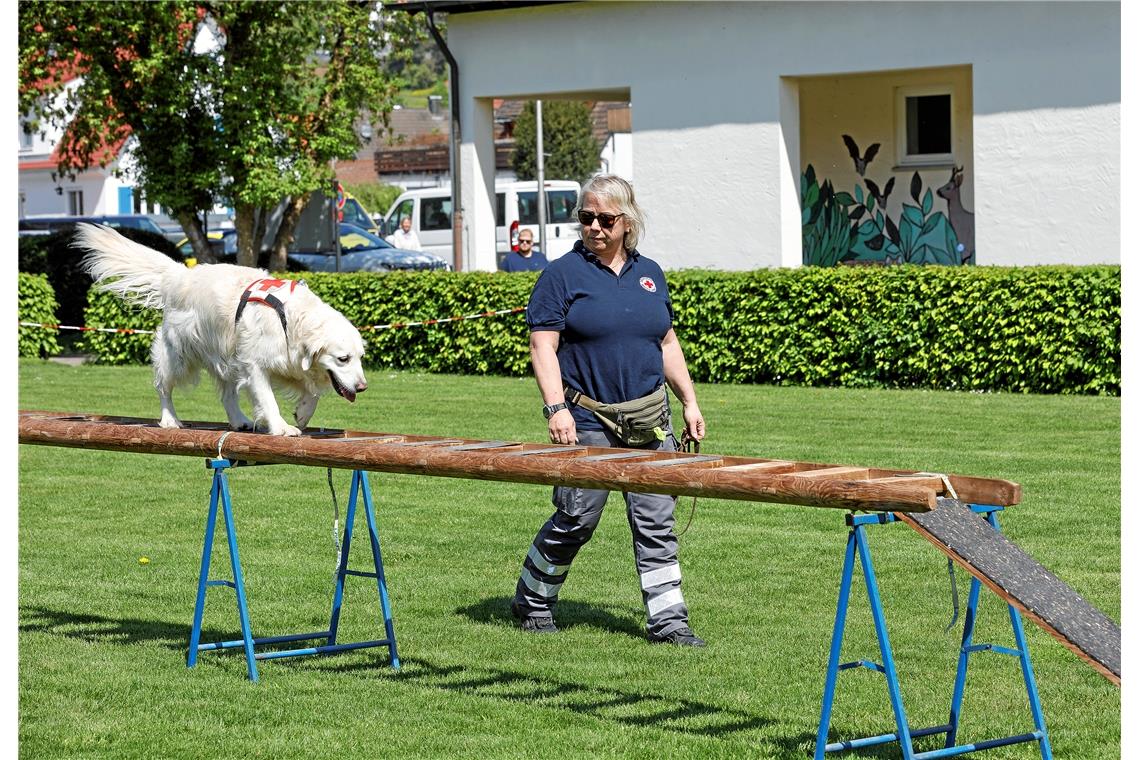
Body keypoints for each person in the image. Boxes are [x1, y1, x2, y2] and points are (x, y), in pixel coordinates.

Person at [510, 174, 707, 647]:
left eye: (605, 218)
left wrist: (690, 401)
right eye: (586, 217)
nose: (594, 226)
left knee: (657, 518)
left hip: (647, 417)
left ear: (627, 221)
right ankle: (532, 600)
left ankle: (668, 623)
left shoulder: (650, 273)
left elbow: (666, 341)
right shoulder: (562, 274)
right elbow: (543, 345)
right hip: (586, 416)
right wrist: (555, 408)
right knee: (578, 516)